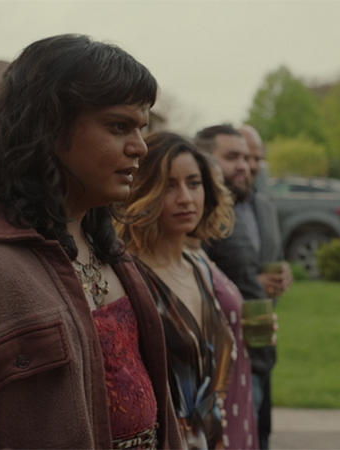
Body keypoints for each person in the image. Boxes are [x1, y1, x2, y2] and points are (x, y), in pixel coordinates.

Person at [0, 34, 183, 448]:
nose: (140, 147)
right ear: (48, 127)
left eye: (141, 128)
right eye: (118, 126)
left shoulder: (110, 250)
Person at [115, 132, 257, 449]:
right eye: (169, 185)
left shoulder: (201, 268)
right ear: (144, 189)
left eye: (193, 183)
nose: (185, 198)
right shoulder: (128, 278)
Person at [194, 124, 290, 449]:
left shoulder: (263, 206)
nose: (247, 166)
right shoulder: (199, 215)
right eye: (234, 156)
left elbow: (266, 260)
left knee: (259, 434)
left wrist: (276, 279)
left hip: (260, 343)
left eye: (253, 159)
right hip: (222, 359)